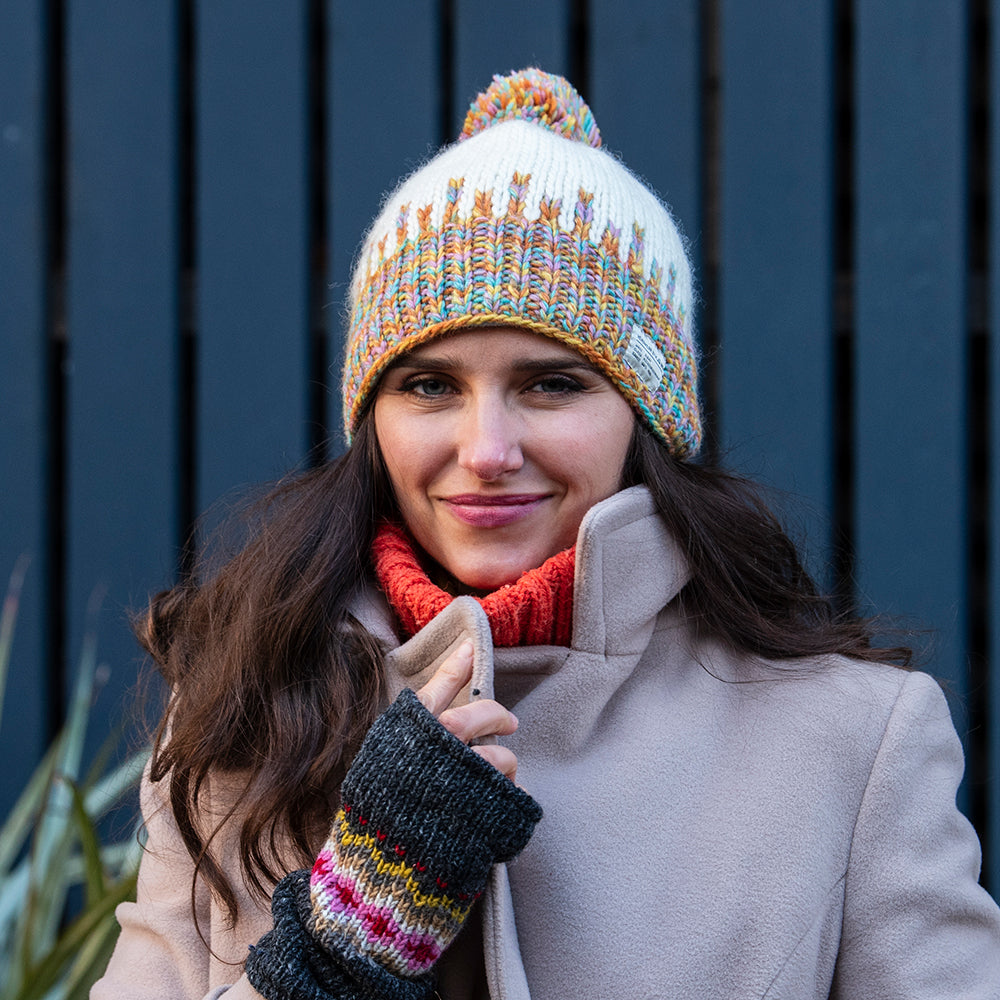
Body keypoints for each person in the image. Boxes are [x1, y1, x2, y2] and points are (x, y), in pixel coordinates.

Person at [93, 69, 1000, 1000]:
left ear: (645, 417)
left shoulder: (854, 740)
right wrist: (341, 952)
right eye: (429, 385)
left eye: (552, 384)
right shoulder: (241, 702)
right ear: (372, 418)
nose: (486, 451)